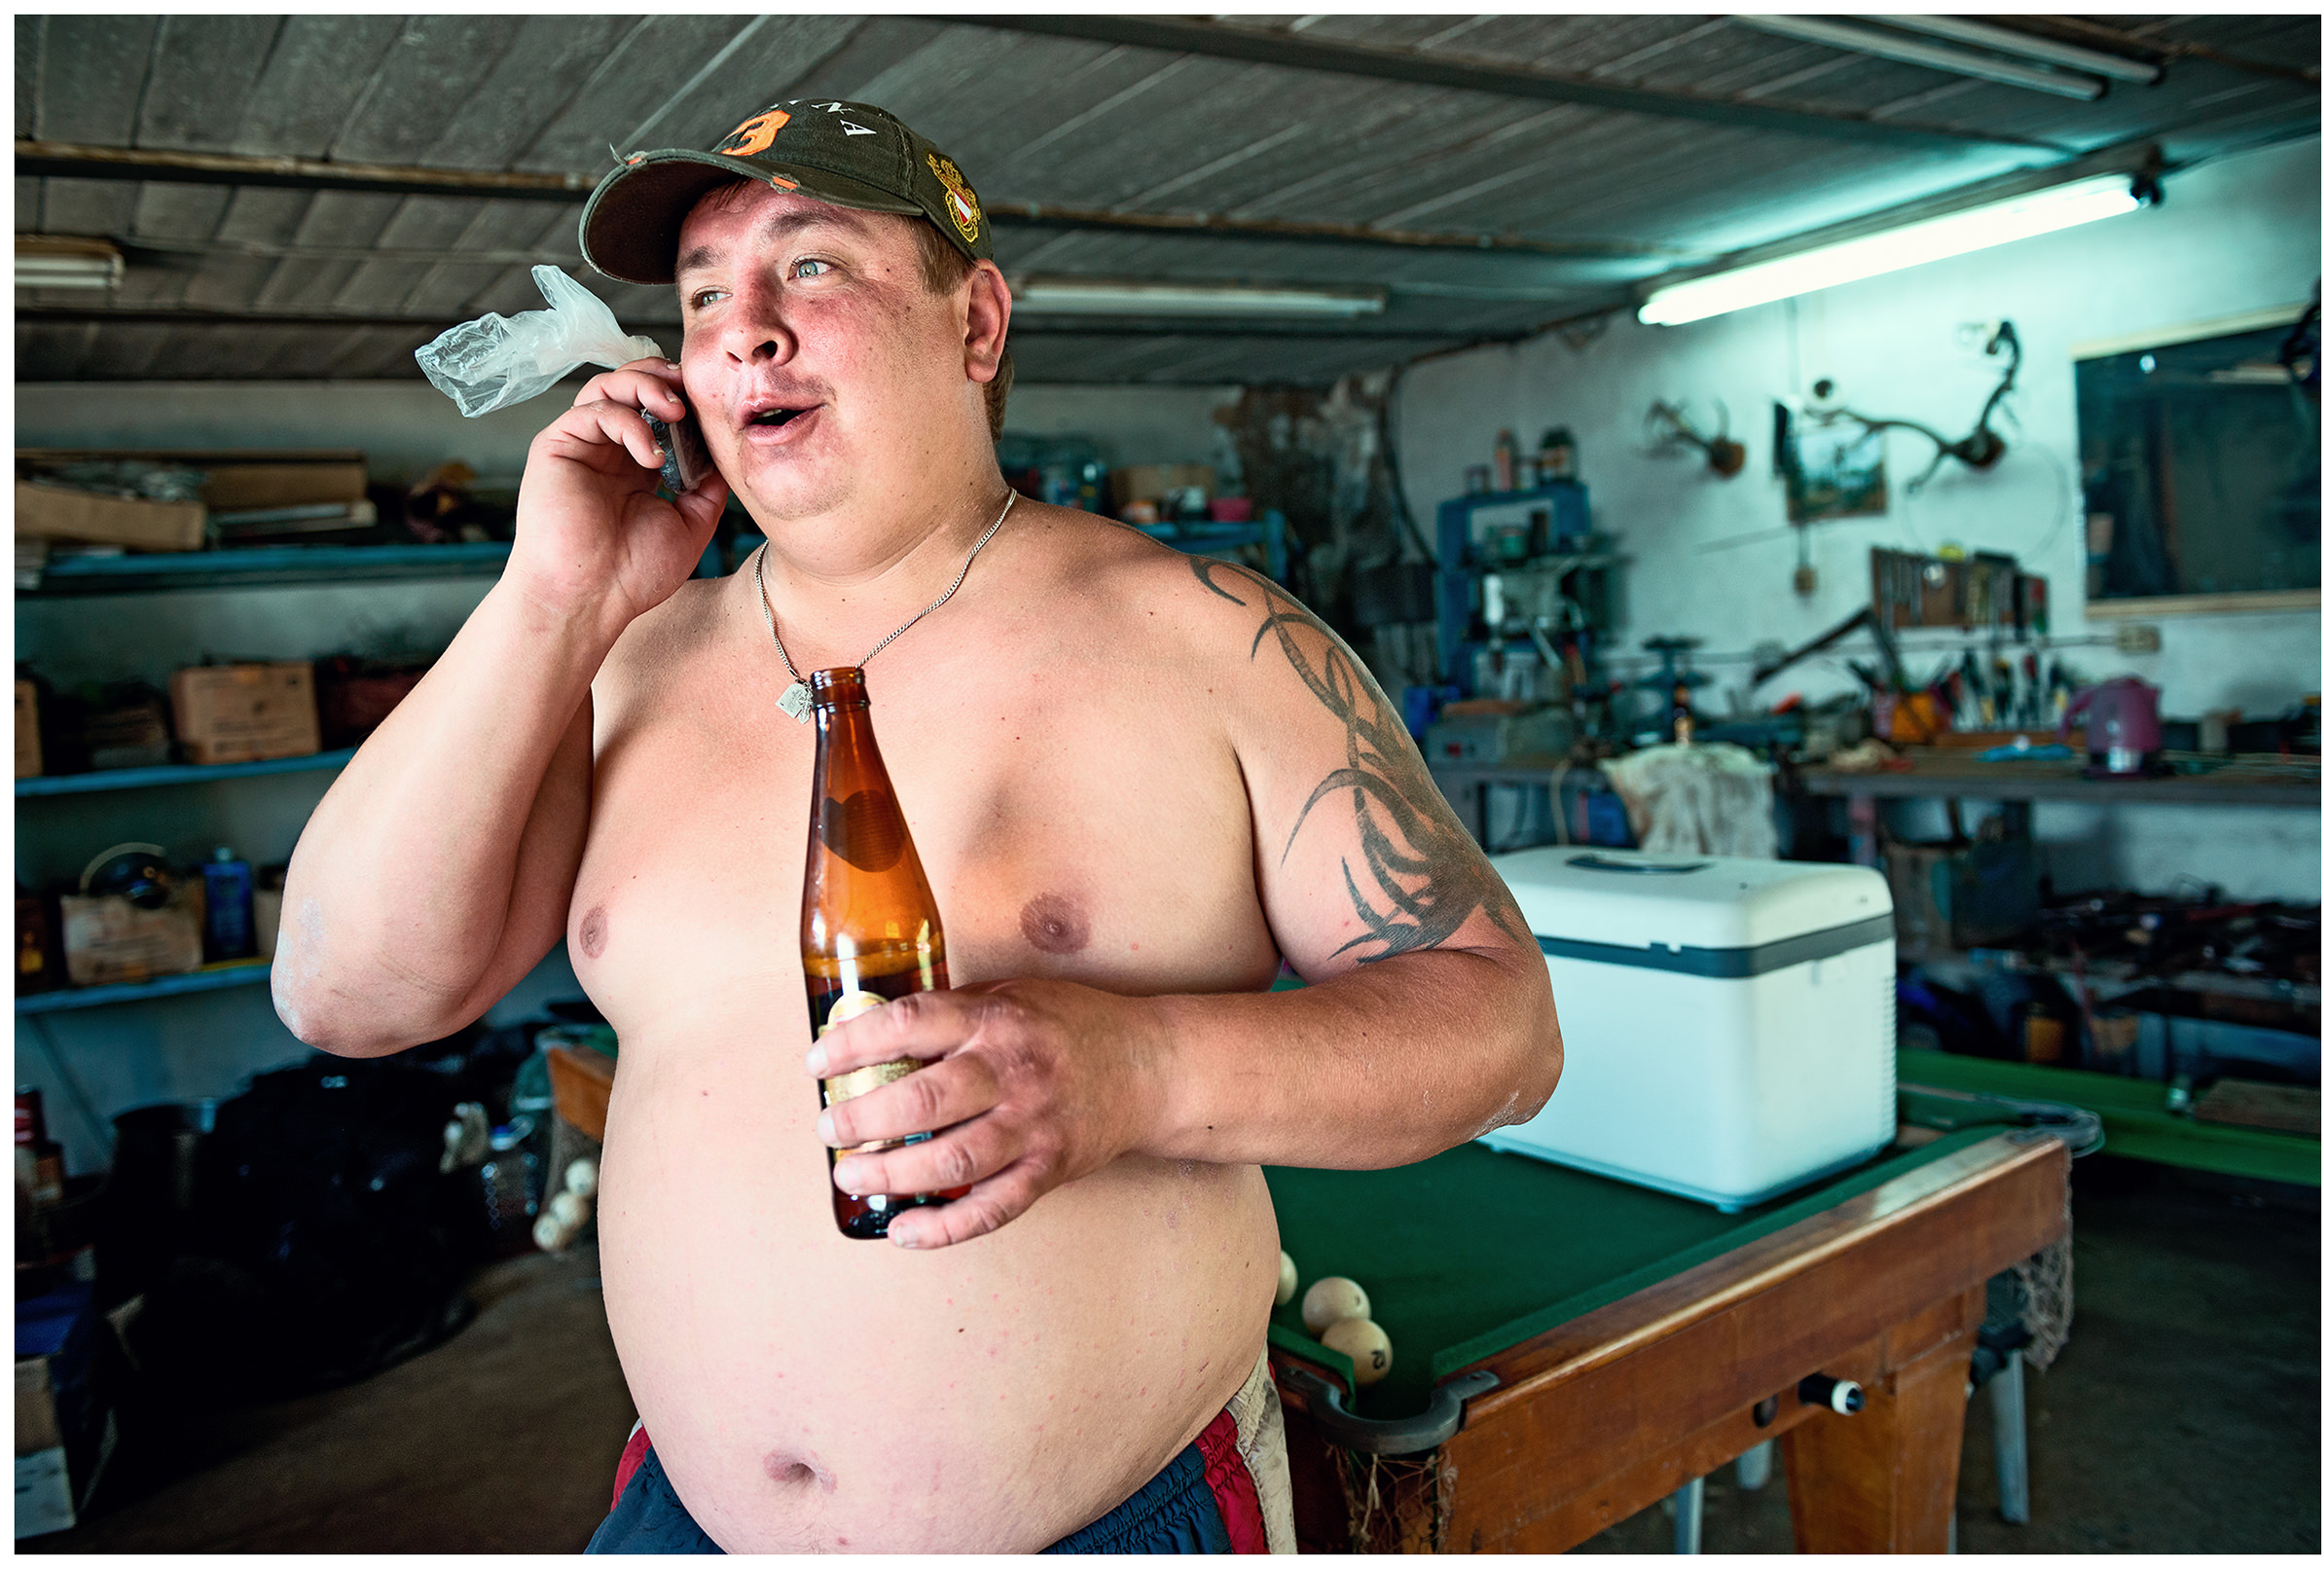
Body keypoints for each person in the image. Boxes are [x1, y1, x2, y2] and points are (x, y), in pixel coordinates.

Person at [274, 98, 1561, 1554]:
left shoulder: (1204, 636)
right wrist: (552, 598)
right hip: (683, 1519)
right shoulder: (618, 661)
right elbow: (346, 991)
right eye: (702, 298)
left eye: (809, 267)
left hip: (1108, 1518)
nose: (745, 330)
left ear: (978, 323)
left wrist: (1140, 1067)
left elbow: (1504, 1033)